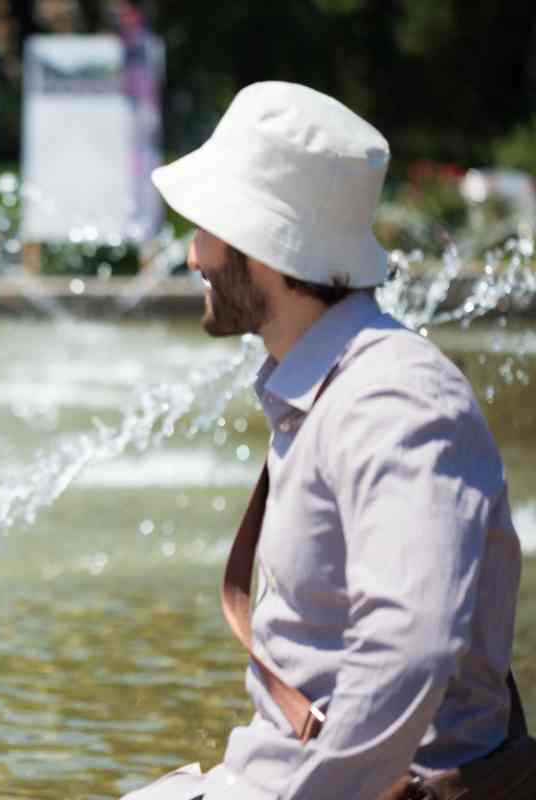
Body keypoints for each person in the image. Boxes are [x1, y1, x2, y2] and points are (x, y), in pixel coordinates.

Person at [120, 82, 523, 799]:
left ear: (265, 251)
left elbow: (412, 649)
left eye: (208, 229)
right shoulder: (329, 384)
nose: (191, 255)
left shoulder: (395, 400)